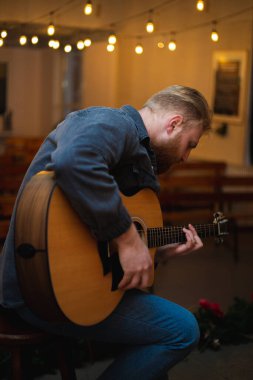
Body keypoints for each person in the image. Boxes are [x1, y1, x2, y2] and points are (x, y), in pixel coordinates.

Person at [0, 85, 211, 379]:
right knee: (183, 330)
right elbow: (73, 160)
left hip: (68, 284)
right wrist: (127, 239)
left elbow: (93, 238)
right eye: (191, 144)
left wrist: (156, 251)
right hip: (38, 289)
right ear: (174, 123)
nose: (186, 156)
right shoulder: (113, 123)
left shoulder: (134, 149)